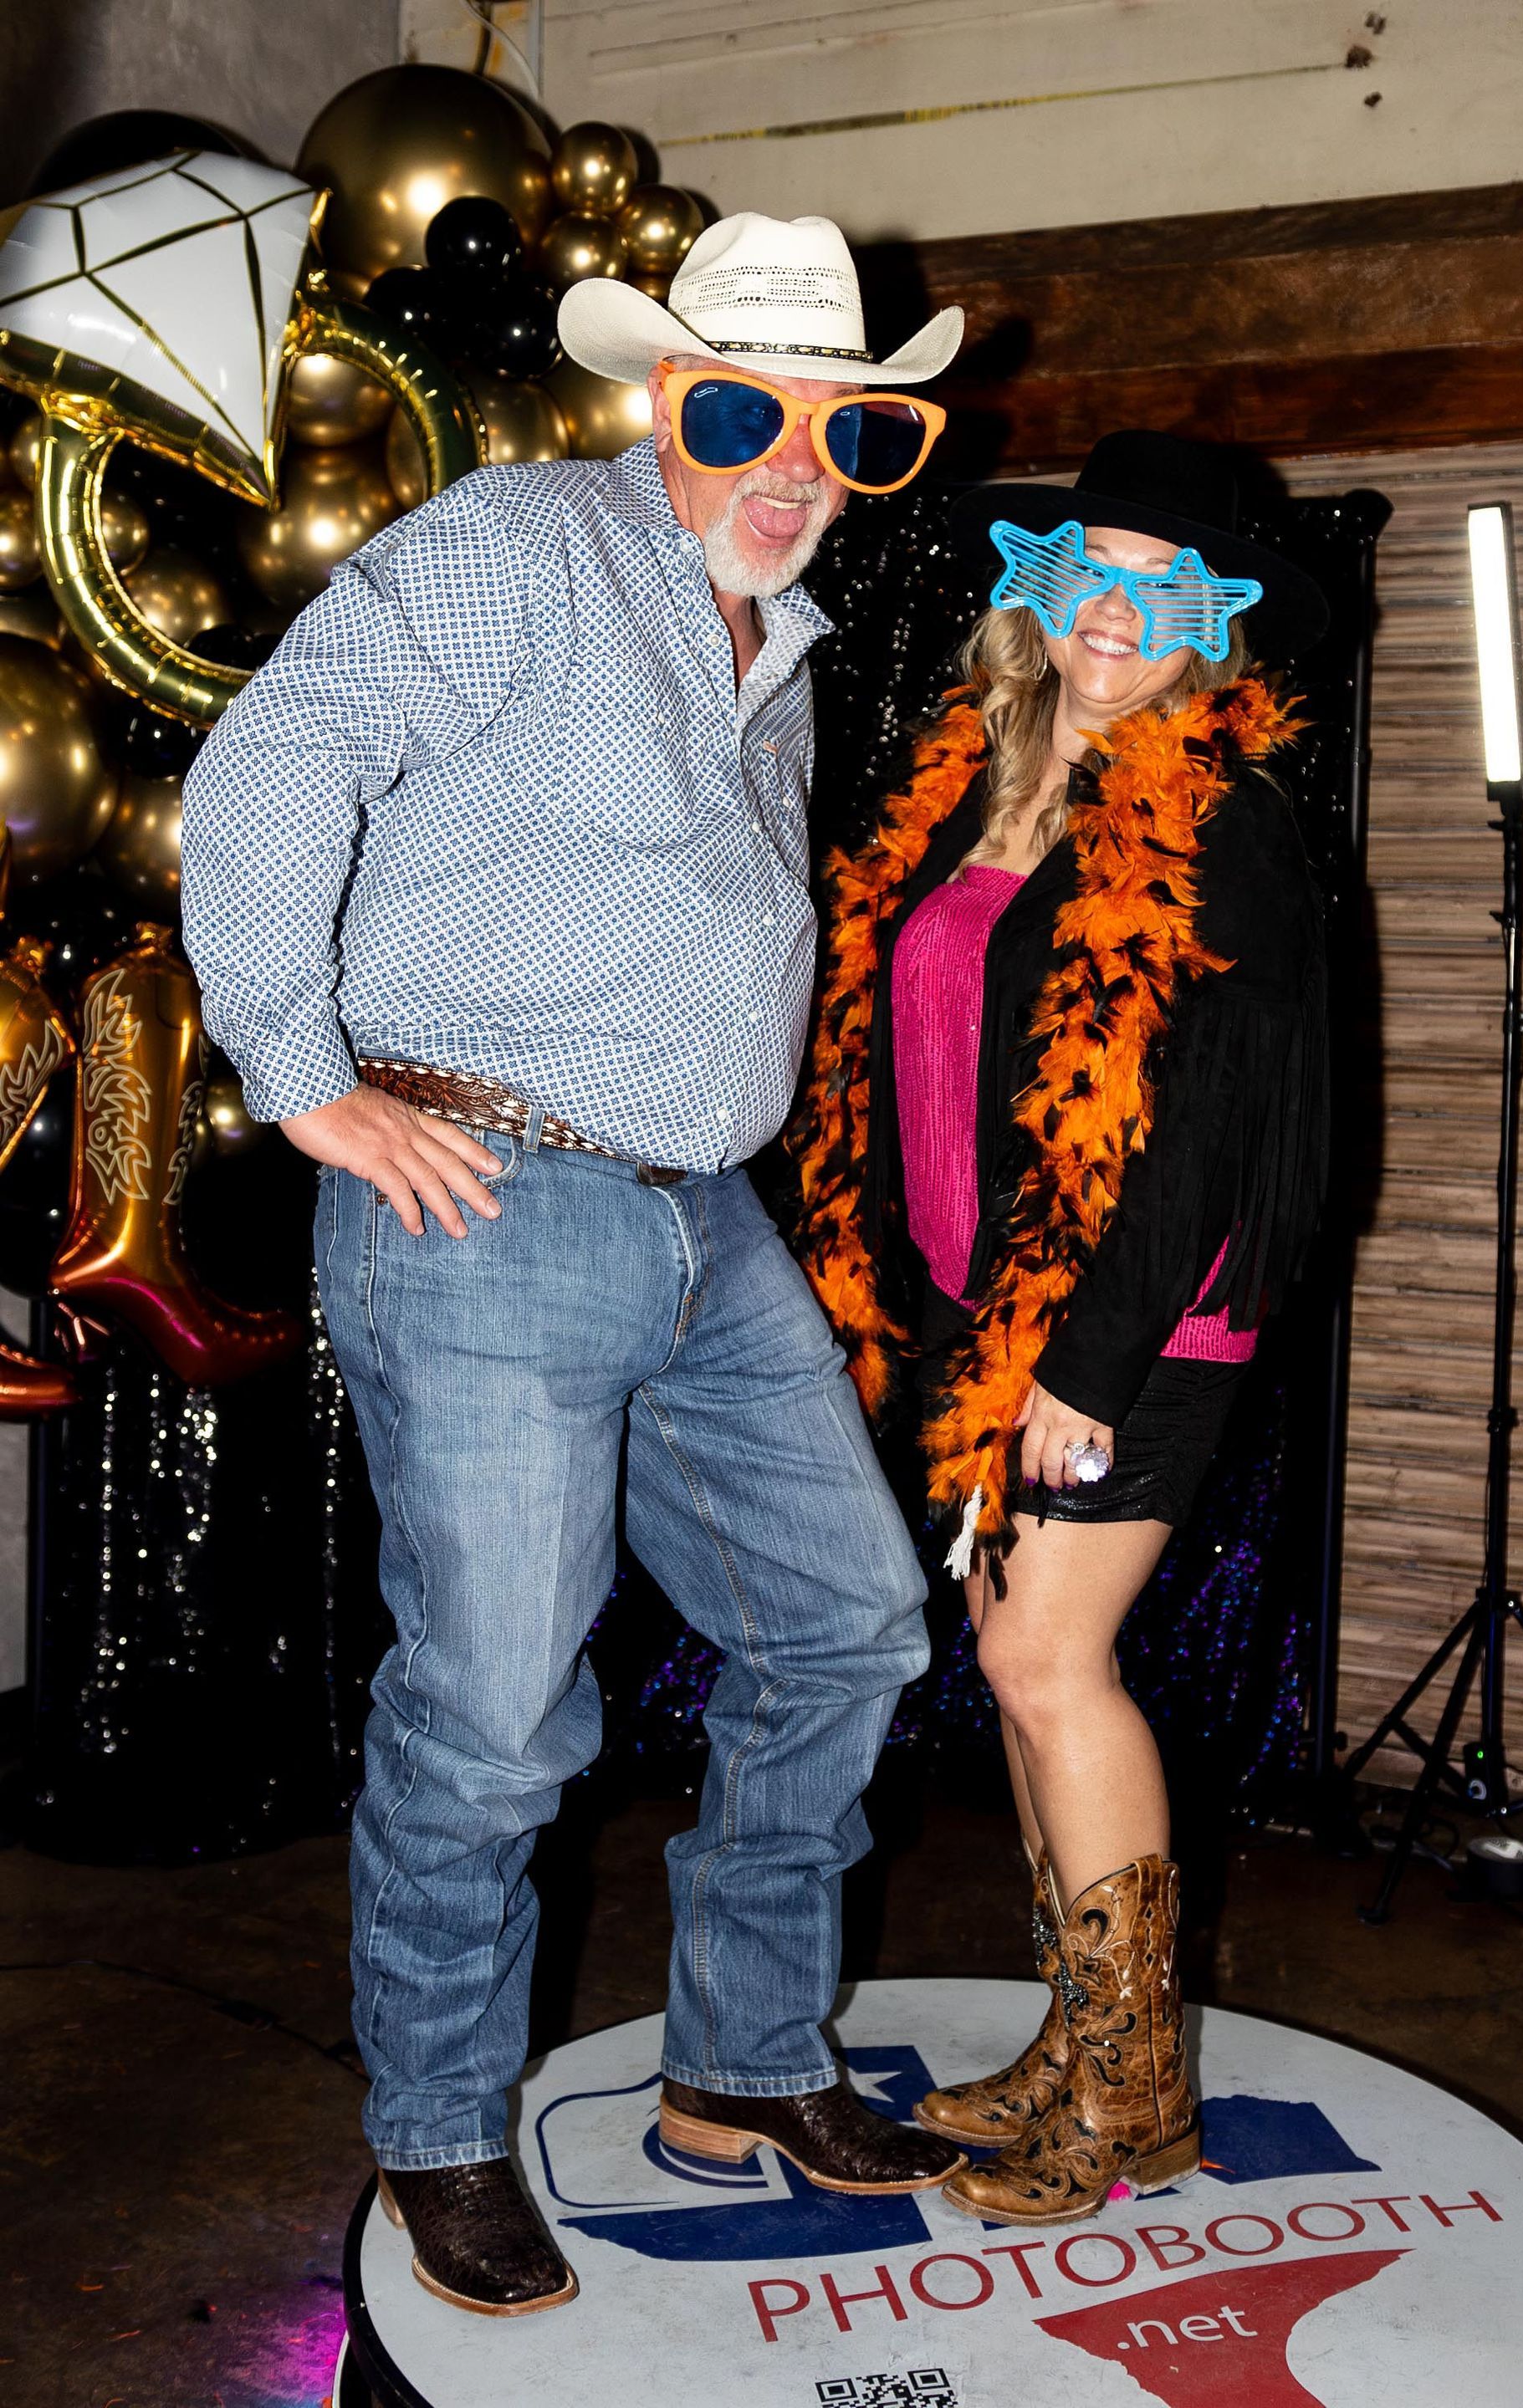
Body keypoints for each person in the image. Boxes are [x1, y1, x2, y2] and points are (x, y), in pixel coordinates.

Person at [180, 213, 968, 2318]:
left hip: (707, 1220)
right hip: (484, 1203)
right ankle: (441, 2125)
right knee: (501, 1718)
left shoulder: (772, 631)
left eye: (847, 432)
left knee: (849, 1634)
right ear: (661, 404)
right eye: (744, 414)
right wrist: (304, 1079)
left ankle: (738, 2066)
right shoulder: (523, 546)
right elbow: (272, 764)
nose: (791, 464)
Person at [789, 430, 1330, 2227]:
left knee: (1044, 1670)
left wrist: (1082, 1369)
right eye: (1086, 572)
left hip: (1140, 1332)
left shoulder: (1225, 817)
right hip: (974, 1316)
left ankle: (1137, 2092)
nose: (1115, 611)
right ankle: (1080, 2045)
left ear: (1215, 626)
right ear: (1033, 597)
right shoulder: (982, 781)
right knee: (1020, 1678)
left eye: (1161, 586)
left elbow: (1210, 1131)